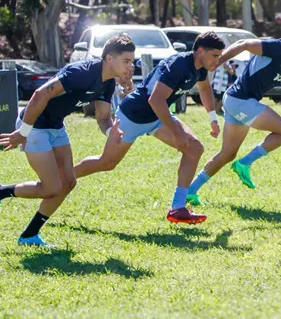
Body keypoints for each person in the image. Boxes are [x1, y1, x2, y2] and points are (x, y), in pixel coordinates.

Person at [72, 32, 226, 224]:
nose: (217, 61)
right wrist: (177, 132)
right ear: (200, 51)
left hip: (157, 116)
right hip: (133, 115)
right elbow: (155, 99)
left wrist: (213, 118)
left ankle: (177, 208)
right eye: (215, 56)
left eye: (219, 56)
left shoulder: (200, 67)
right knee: (107, 163)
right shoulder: (178, 65)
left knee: (194, 148)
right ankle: (64, 178)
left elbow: (204, 89)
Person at [0, 35, 136, 247]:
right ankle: (3, 191)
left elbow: (102, 118)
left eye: (132, 62)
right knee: (51, 188)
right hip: (34, 125)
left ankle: (29, 236)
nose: (131, 67)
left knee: (69, 182)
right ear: (109, 58)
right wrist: (23, 132)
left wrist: (111, 132)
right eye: (126, 61)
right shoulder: (82, 73)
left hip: (55, 126)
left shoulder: (108, 83)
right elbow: (40, 94)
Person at [185, 20, 281, 205]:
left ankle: (190, 191)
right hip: (241, 100)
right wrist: (218, 61)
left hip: (238, 101)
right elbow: (244, 43)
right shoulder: (279, 47)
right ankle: (245, 163)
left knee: (227, 154)